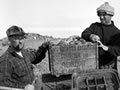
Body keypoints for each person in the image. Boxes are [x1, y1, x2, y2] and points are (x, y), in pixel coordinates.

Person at [0, 25, 49, 89]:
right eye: (16, 38)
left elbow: (35, 58)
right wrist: (24, 87)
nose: (20, 41)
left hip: (34, 85)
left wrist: (44, 47)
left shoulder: (24, 52)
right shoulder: (6, 60)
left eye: (22, 38)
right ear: (9, 40)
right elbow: (3, 83)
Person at [81, 2, 120, 69]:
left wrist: (106, 48)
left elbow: (118, 50)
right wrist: (91, 36)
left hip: (107, 66)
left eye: (104, 15)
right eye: (100, 15)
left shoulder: (116, 32)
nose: (101, 17)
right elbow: (84, 33)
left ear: (110, 15)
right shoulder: (94, 26)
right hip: (91, 63)